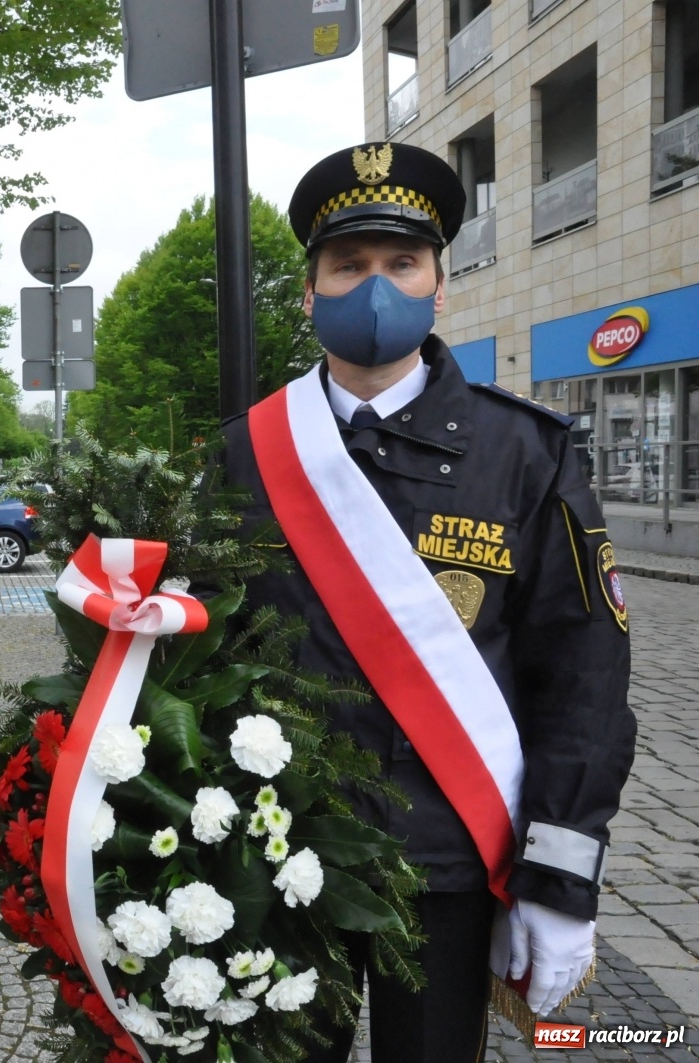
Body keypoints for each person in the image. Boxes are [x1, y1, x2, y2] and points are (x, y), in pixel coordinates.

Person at [216, 142, 636, 1061]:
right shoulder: (243, 454)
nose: (377, 286)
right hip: (281, 853)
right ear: (310, 292)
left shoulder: (524, 452)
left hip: (446, 860)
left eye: (401, 264)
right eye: (350, 265)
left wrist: (560, 877)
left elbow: (585, 677)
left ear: (439, 284)